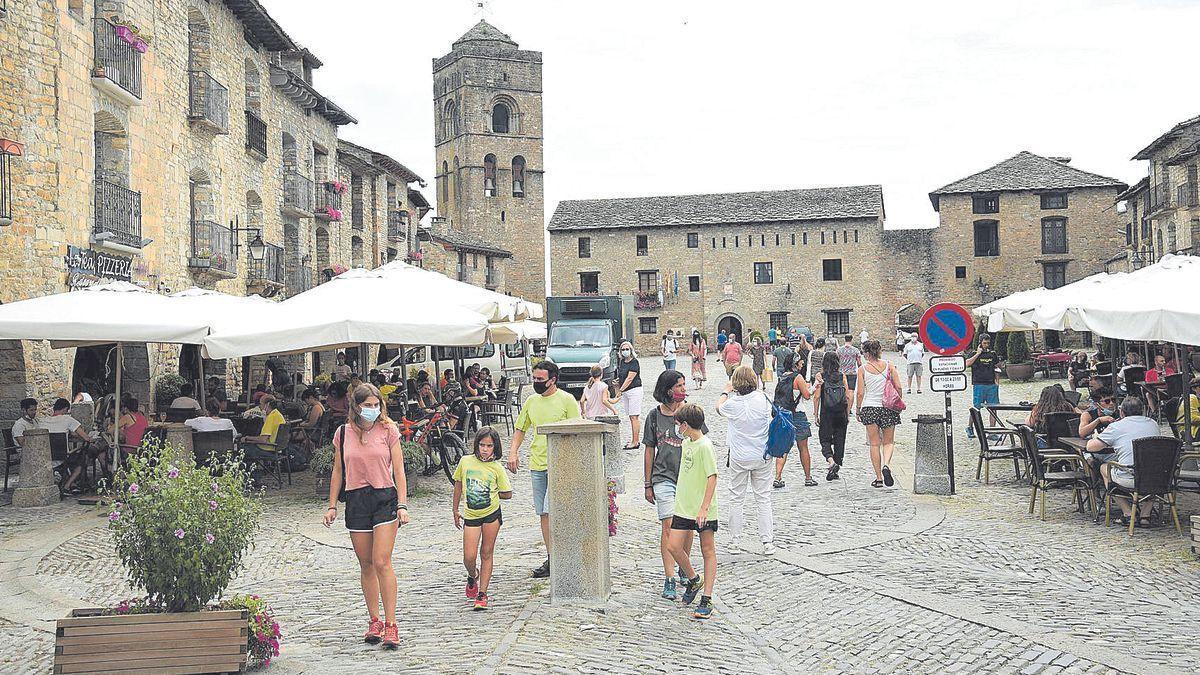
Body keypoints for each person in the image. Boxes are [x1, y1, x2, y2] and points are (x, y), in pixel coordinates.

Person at [322, 384, 408, 649]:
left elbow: (399, 470)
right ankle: (374, 620)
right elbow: (338, 470)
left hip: (384, 497)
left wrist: (402, 504)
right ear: (356, 406)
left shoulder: (388, 430)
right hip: (357, 499)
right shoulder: (343, 433)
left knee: (382, 561)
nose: (373, 410)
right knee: (366, 564)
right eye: (367, 405)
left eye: (376, 405)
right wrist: (332, 504)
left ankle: (392, 624)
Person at [506, 361, 580, 578]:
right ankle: (552, 557)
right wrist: (513, 452)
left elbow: (577, 431)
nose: (536, 383)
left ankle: (564, 555)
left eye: (540, 380)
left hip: (561, 465)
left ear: (552, 380)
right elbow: (521, 428)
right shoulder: (531, 401)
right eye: (535, 378)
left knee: (553, 511)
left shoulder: (567, 400)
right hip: (537, 464)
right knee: (543, 513)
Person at [643, 370, 703, 599]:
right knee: (668, 526)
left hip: (688, 479)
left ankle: (683, 567)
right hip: (663, 477)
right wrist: (647, 484)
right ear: (669, 390)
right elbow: (649, 450)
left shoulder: (691, 412)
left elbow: (701, 443)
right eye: (680, 386)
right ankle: (669, 577)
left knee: (686, 527)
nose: (683, 389)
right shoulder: (654, 416)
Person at [667, 403, 719, 619]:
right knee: (673, 546)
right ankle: (694, 579)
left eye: (679, 425)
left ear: (686, 425)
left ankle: (707, 598)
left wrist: (704, 508)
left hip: (702, 509)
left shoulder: (705, 446)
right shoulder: (687, 443)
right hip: (684, 506)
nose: (678, 428)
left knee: (707, 549)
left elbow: (712, 477)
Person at [453, 426, 512, 611]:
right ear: (476, 445)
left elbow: (507, 493)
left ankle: (483, 593)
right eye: (482, 445)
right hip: (470, 515)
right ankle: (473, 574)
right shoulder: (465, 462)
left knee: (486, 552)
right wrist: (455, 509)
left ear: (495, 448)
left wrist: (492, 493)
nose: (485, 449)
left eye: (489, 446)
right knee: (469, 556)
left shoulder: (497, 468)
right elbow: (458, 485)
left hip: (491, 515)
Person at [717, 365, 774, 554]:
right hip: (762, 454)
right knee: (763, 498)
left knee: (736, 498)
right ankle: (767, 542)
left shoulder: (733, 404)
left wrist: (725, 391)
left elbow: (718, 408)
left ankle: (735, 541)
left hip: (740, 455)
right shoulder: (763, 399)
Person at [1090, 396, 1160, 523]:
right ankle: (1145, 515)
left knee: (1104, 467)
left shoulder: (1117, 426)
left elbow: (1091, 447)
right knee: (1152, 469)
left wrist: (1097, 436)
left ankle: (1127, 513)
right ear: (1143, 410)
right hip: (1156, 478)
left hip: (1129, 478)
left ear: (1122, 412)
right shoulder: (1153, 423)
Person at [856, 340, 904, 488]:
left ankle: (878, 478)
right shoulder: (889, 366)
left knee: (874, 444)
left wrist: (858, 409)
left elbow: (860, 393)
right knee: (889, 442)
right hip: (888, 407)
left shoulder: (862, 369)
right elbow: (899, 386)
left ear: (867, 353)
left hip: (870, 407)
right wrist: (898, 401)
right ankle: (887, 465)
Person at [772, 350, 815, 488]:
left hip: (784, 415)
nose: (802, 364)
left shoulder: (783, 377)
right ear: (795, 364)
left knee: (783, 447)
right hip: (797, 414)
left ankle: (777, 477)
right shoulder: (798, 378)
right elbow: (807, 395)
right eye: (800, 362)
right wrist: (815, 386)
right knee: (803, 447)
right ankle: (808, 477)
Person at [812, 351, 850, 481]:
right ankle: (836, 467)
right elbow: (848, 396)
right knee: (840, 439)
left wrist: (815, 414)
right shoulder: (842, 376)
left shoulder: (820, 376)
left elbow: (817, 397)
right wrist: (848, 413)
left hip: (826, 413)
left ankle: (831, 461)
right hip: (840, 413)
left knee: (825, 439)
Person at [965, 335, 1001, 438]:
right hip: (979, 384)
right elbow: (967, 364)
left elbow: (997, 368)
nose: (986, 345)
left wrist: (997, 382)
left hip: (991, 385)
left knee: (993, 408)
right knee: (976, 408)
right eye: (984, 343)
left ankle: (992, 431)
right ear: (980, 342)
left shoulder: (992, 354)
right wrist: (978, 353)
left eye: (988, 343)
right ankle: (970, 427)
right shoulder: (973, 353)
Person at [615, 341, 643, 451]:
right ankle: (634, 439)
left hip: (634, 390)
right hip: (626, 391)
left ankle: (635, 441)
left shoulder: (634, 362)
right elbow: (623, 376)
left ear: (631, 350)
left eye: (627, 349)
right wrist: (618, 382)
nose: (625, 351)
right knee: (630, 416)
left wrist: (620, 390)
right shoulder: (622, 362)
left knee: (634, 416)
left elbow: (630, 378)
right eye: (623, 349)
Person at [1177, 376, 1200, 440]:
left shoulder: (1197, 399)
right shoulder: (1191, 398)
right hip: (1191, 431)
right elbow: (1192, 418)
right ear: (1194, 389)